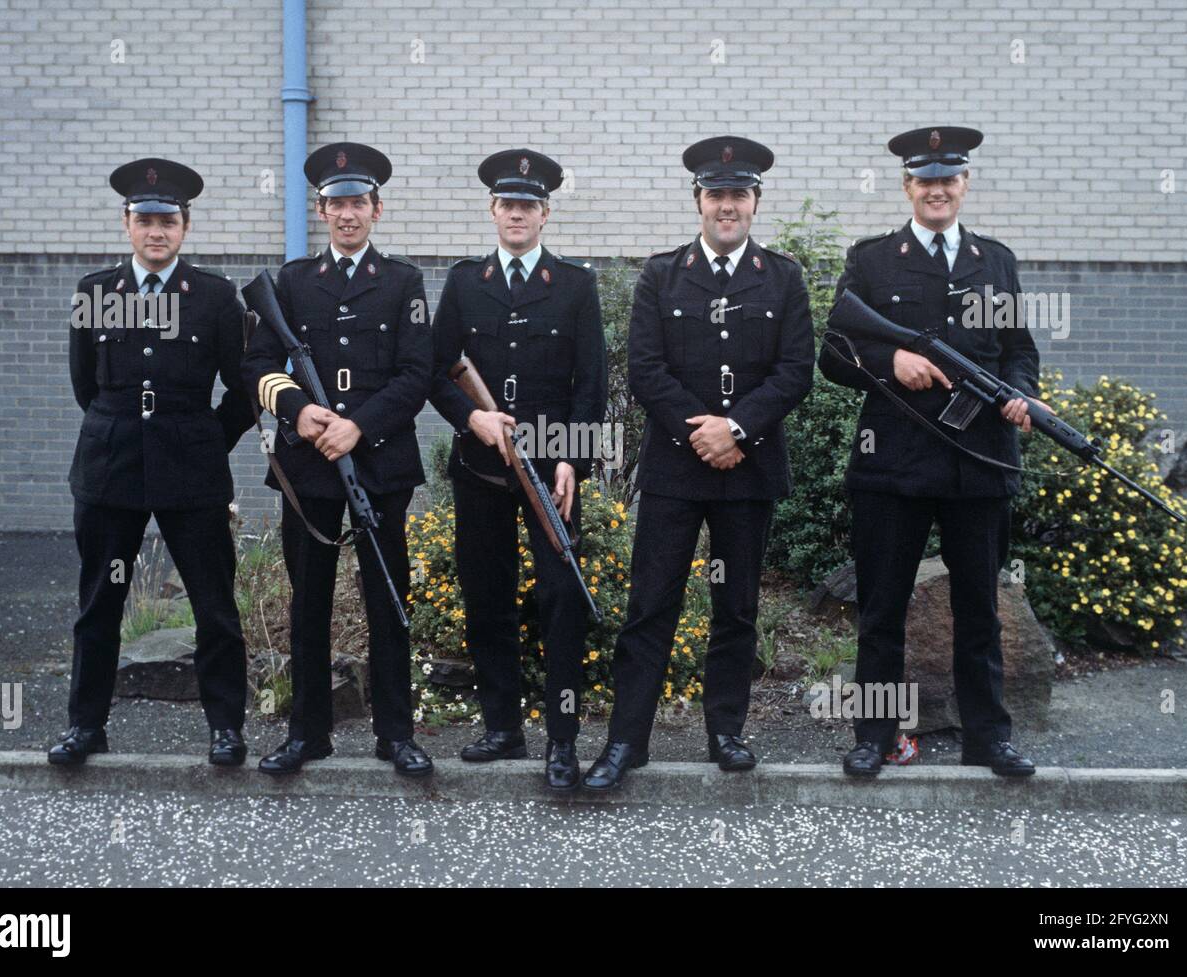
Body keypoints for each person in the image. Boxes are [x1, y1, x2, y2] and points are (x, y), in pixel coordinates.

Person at [583, 137, 814, 792]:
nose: (727, 206)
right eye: (716, 195)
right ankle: (627, 740)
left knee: (736, 607)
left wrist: (736, 427)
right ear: (698, 202)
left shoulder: (784, 277)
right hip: (676, 472)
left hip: (749, 466)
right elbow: (648, 369)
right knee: (650, 605)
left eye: (738, 195)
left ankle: (726, 732)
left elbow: (795, 371)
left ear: (755, 202)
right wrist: (704, 434)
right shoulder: (662, 275)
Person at [817, 126, 1045, 777]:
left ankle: (988, 737)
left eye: (949, 179)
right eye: (926, 179)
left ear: (965, 184)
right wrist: (891, 360)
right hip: (893, 465)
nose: (937, 189)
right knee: (882, 610)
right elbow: (834, 353)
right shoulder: (872, 260)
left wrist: (1021, 395)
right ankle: (876, 737)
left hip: (979, 464)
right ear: (907, 186)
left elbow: (1019, 352)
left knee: (979, 610)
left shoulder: (994, 261)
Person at [241, 143, 434, 776]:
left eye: (358, 203)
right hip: (309, 467)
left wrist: (357, 428)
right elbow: (258, 365)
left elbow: (416, 374)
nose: (347, 215)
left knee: (387, 596)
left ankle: (396, 734)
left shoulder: (403, 281)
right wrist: (299, 411)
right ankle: (308, 734)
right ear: (321, 211)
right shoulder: (292, 284)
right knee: (309, 601)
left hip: (377, 463)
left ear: (377, 209)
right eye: (335, 204)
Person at [54, 158, 253, 766]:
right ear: (126, 224)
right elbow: (85, 383)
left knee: (213, 605)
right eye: (144, 219)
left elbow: (243, 391)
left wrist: (203, 439)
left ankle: (225, 728)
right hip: (111, 469)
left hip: (190, 471)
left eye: (167, 220)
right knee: (98, 607)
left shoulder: (217, 297)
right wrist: (122, 429)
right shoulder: (94, 292)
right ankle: (86, 727)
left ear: (185, 226)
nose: (155, 231)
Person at [428, 149, 606, 792]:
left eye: (528, 206)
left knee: (560, 600)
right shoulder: (464, 281)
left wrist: (571, 459)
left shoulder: (576, 284)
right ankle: (503, 727)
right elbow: (434, 365)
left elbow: (593, 381)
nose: (517, 215)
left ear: (545, 214)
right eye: (508, 205)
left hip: (548, 469)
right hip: (481, 466)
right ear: (494, 211)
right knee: (486, 596)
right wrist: (469, 418)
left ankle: (562, 739)